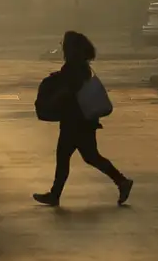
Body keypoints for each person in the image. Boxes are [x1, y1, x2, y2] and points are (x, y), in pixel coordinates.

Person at [33, 30, 133, 207]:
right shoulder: (81, 66)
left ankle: (56, 195)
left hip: (75, 120)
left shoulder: (75, 67)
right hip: (82, 120)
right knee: (88, 156)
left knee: (70, 157)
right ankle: (121, 181)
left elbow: (70, 89)